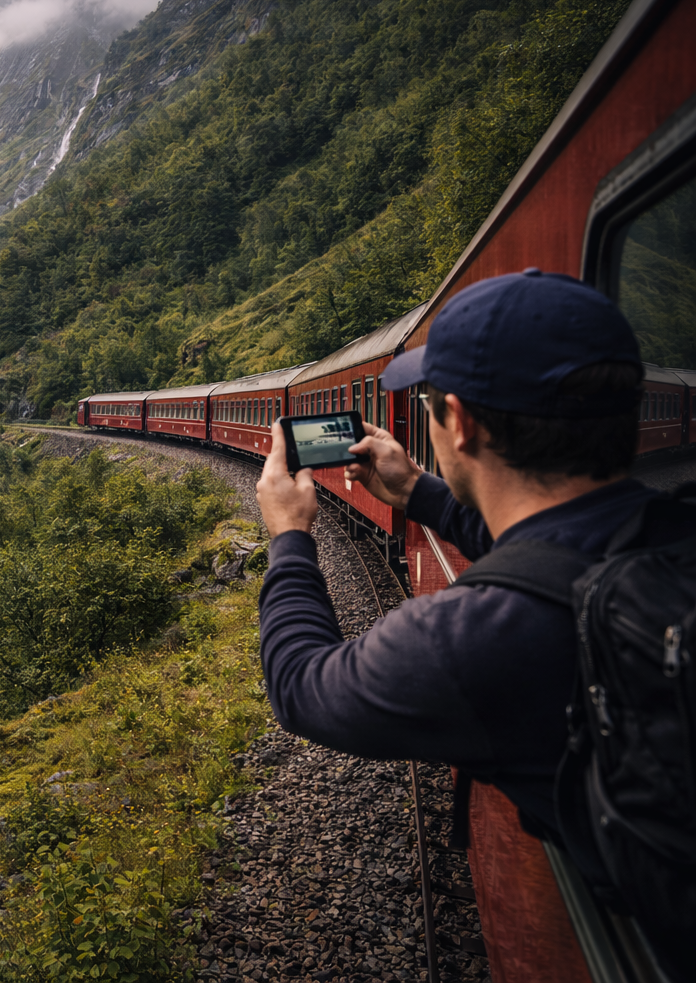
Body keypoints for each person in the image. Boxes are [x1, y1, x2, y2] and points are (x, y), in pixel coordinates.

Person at [254, 269, 658, 982]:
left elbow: (300, 685)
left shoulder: (477, 637)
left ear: (460, 424)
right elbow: (548, 540)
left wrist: (290, 537)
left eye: (432, 403)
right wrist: (418, 493)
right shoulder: (666, 531)